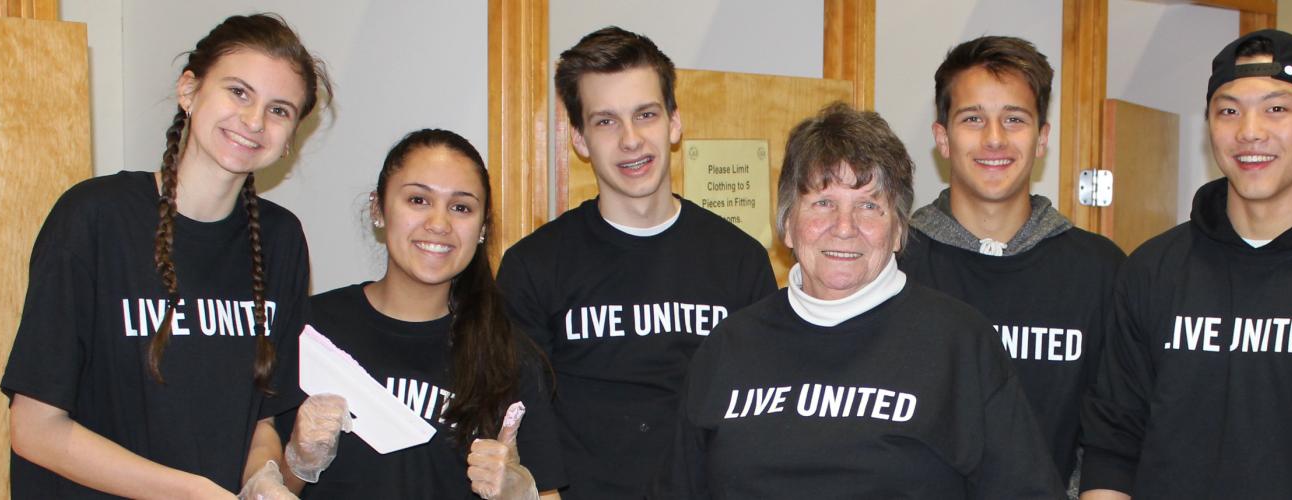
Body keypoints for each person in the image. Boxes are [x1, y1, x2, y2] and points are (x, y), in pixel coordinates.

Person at [1078, 29, 1292, 499]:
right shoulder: (1153, 271)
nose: (1249, 131)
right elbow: (1113, 446)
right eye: (1228, 111)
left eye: (1277, 109)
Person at [2, 13, 344, 498]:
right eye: (238, 92)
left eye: (279, 110)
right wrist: (190, 492)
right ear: (189, 90)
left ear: (291, 137)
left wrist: (263, 477)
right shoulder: (95, 217)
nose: (254, 121)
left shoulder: (281, 240)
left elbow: (260, 423)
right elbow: (35, 429)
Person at [661, 102, 1060, 499]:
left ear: (899, 230)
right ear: (787, 223)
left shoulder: (960, 344)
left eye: (869, 205)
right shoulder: (728, 348)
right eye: (823, 203)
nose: (844, 227)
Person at [496, 26, 776, 499]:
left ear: (674, 123)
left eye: (645, 114)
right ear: (579, 138)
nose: (631, 139)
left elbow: (762, 411)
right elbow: (524, 414)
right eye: (606, 121)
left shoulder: (740, 261)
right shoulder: (532, 267)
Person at [282, 129, 565, 499]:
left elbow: (546, 492)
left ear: (482, 227)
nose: (439, 223)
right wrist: (296, 462)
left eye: (461, 207)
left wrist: (518, 494)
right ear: (378, 208)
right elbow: (257, 482)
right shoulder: (309, 332)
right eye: (418, 200)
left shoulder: (510, 356)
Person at [900, 35, 1124, 493]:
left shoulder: (1101, 271)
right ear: (942, 138)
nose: (994, 138)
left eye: (1014, 119)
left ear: (1042, 138)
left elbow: (1115, 434)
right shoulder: (896, 264)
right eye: (973, 118)